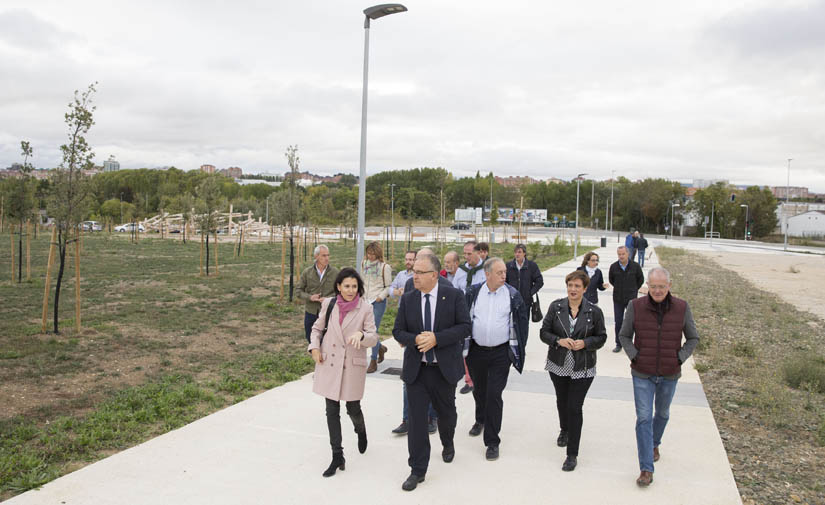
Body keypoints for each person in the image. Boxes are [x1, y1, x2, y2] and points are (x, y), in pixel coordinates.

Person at [393, 254, 471, 491]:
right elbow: (398, 331)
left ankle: (447, 442)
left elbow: (465, 327)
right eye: (414, 271)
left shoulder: (454, 296)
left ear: (434, 275)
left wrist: (437, 338)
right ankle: (417, 470)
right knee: (417, 421)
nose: (414, 275)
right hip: (417, 370)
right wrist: (415, 339)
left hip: (443, 370)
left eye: (419, 272)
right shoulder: (408, 299)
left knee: (447, 415)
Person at [617, 267, 699, 487]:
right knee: (644, 418)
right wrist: (635, 356)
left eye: (661, 287)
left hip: (669, 373)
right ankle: (646, 468)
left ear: (669, 286)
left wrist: (679, 359)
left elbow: (693, 338)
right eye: (653, 287)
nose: (657, 291)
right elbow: (624, 335)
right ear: (647, 287)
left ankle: (654, 443)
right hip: (642, 373)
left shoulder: (682, 307)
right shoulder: (635, 306)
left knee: (662, 413)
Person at [307, 268, 378, 477]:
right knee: (331, 410)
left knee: (353, 407)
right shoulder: (329, 304)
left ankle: (361, 430)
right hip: (329, 363)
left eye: (354, 286)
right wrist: (315, 347)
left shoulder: (365, 308)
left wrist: (362, 334)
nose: (350, 290)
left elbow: (373, 336)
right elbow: (317, 329)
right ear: (338, 286)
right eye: (346, 286)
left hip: (351, 366)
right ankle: (337, 455)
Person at [539, 270, 607, 471]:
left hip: (582, 367)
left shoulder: (594, 312)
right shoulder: (556, 307)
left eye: (577, 286)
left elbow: (602, 337)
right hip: (558, 364)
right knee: (562, 400)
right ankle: (564, 429)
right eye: (570, 285)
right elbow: (543, 333)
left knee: (575, 407)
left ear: (585, 289)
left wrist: (585, 343)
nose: (573, 289)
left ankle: (572, 454)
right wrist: (558, 341)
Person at [464, 258, 529, 461]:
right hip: (476, 351)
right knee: (480, 390)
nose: (504, 275)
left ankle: (492, 441)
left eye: (504, 272)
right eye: (499, 272)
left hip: (501, 353)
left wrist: (517, 350)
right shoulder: (473, 292)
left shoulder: (512, 295)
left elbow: (522, 324)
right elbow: (464, 318)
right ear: (487, 274)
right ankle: (480, 419)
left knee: (494, 394)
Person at [442, 250, 474, 395]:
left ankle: (470, 380)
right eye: (445, 262)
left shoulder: (464, 276)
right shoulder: (442, 275)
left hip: (461, 317)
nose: (446, 265)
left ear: (456, 263)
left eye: (449, 262)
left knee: (465, 350)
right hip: (446, 319)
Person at [296, 245, 339, 343]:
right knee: (310, 338)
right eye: (323, 256)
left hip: (329, 312)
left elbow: (341, 293)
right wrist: (310, 297)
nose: (327, 258)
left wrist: (328, 299)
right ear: (316, 256)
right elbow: (298, 291)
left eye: (328, 255)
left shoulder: (335, 272)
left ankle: (325, 357)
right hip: (311, 312)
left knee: (328, 340)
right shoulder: (307, 272)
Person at [361, 242, 392, 373]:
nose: (371, 256)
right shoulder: (364, 264)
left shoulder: (385, 267)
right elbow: (361, 280)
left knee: (373, 330)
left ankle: (373, 360)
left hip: (378, 301)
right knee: (365, 330)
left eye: (373, 254)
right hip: (365, 301)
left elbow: (389, 286)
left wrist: (381, 296)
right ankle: (380, 347)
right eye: (369, 253)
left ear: (378, 254)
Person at [608, 246, 644, 353]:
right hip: (618, 299)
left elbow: (640, 280)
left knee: (631, 322)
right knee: (618, 322)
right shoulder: (613, 267)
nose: (621, 256)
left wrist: (632, 290)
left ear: (628, 254)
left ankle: (629, 344)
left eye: (623, 254)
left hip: (631, 300)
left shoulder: (635, 266)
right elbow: (611, 280)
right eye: (619, 254)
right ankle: (618, 344)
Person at [505, 243, 544, 315]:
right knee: (512, 324)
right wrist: (508, 292)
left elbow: (539, 281)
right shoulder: (508, 266)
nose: (517, 254)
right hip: (512, 301)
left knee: (524, 324)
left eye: (519, 252)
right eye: (516, 252)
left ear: (524, 253)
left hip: (526, 301)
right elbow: (504, 282)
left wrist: (530, 293)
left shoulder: (532, 266)